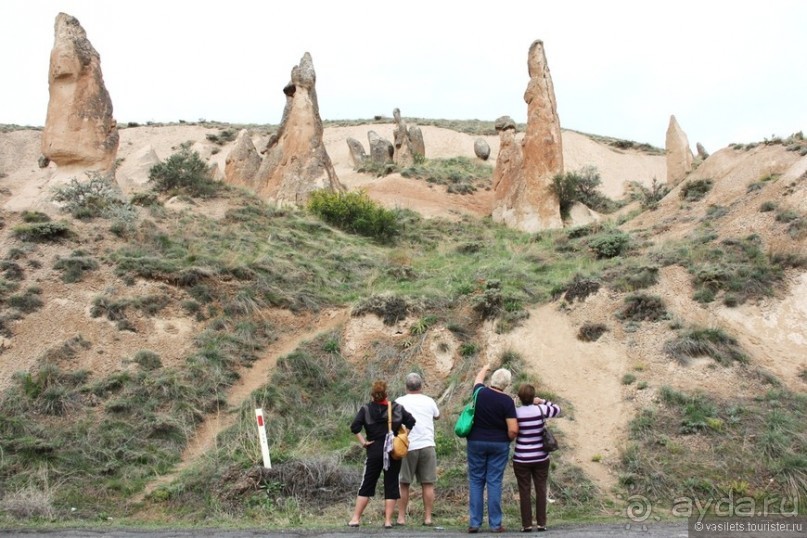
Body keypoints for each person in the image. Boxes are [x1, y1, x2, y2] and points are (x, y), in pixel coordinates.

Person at [349, 380, 416, 529]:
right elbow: (411, 421)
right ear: (386, 394)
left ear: (372, 395)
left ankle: (355, 518)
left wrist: (363, 442)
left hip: (374, 449)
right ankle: (387, 521)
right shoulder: (396, 408)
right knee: (391, 484)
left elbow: (355, 427)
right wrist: (403, 437)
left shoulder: (366, 409)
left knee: (367, 483)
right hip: (392, 450)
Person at [465, 364, 518, 533]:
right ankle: (495, 524)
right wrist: (507, 439)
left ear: (492, 380)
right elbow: (513, 429)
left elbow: (478, 380)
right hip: (498, 444)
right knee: (494, 481)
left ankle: (474, 523)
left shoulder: (479, 393)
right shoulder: (507, 401)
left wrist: (484, 368)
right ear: (506, 385)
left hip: (476, 442)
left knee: (476, 481)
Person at [512, 384, 561, 532]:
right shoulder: (541, 409)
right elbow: (558, 409)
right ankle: (541, 523)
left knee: (524, 491)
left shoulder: (516, 413)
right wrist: (542, 401)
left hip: (521, 458)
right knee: (541, 489)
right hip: (541, 457)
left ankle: (526, 525)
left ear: (520, 398)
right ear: (533, 397)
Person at [395, 372, 441, 526]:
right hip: (427, 445)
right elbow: (437, 416)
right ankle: (427, 518)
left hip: (406, 446)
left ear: (406, 386)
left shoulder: (399, 401)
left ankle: (401, 518)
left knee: (404, 483)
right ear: (421, 386)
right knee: (428, 483)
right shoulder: (429, 401)